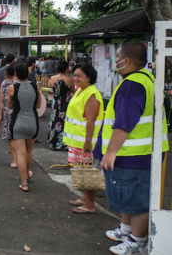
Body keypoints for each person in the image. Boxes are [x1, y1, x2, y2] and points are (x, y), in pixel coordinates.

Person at [97, 42, 169, 255]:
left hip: (133, 155)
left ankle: (137, 240)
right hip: (140, 153)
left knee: (135, 198)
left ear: (126, 61)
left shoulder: (132, 84)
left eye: (117, 58)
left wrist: (110, 152)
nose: (115, 63)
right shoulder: (146, 79)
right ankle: (127, 230)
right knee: (126, 194)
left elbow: (124, 122)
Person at [63, 63, 103, 214]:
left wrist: (88, 142)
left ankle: (90, 203)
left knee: (89, 172)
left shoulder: (91, 94)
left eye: (79, 76)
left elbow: (90, 120)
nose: (75, 78)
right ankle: (86, 198)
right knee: (82, 170)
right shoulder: (81, 90)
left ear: (89, 77)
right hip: (77, 140)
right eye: (74, 75)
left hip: (86, 141)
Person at [7, 62, 40, 192]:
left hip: (18, 121)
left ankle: (24, 183)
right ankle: (27, 174)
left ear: (16, 74)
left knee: (20, 153)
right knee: (29, 150)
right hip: (32, 121)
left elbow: (9, 106)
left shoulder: (12, 88)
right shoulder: (36, 86)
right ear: (28, 73)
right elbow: (38, 105)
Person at [48, 59, 74, 151]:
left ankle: (53, 143)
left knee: (54, 120)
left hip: (56, 101)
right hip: (65, 101)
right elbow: (72, 91)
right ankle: (63, 143)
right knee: (64, 121)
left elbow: (50, 87)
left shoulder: (52, 78)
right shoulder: (70, 80)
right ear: (67, 69)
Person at [0, 65, 18, 167]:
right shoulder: (18, 83)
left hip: (7, 111)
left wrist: (0, 113)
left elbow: (1, 100)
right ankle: (20, 158)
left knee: (11, 137)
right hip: (18, 112)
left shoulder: (4, 83)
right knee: (19, 137)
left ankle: (14, 160)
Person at [0, 53, 15, 137]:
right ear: (13, 60)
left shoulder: (1, 69)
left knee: (0, 111)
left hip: (3, 92)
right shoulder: (13, 69)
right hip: (12, 92)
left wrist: (0, 93)